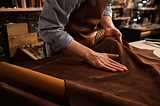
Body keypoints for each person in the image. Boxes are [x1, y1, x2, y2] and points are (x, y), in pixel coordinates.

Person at [38, 0, 128, 72]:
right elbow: (50, 30)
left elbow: (105, 5)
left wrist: (109, 27)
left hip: (90, 47)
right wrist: (90, 55)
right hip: (62, 54)